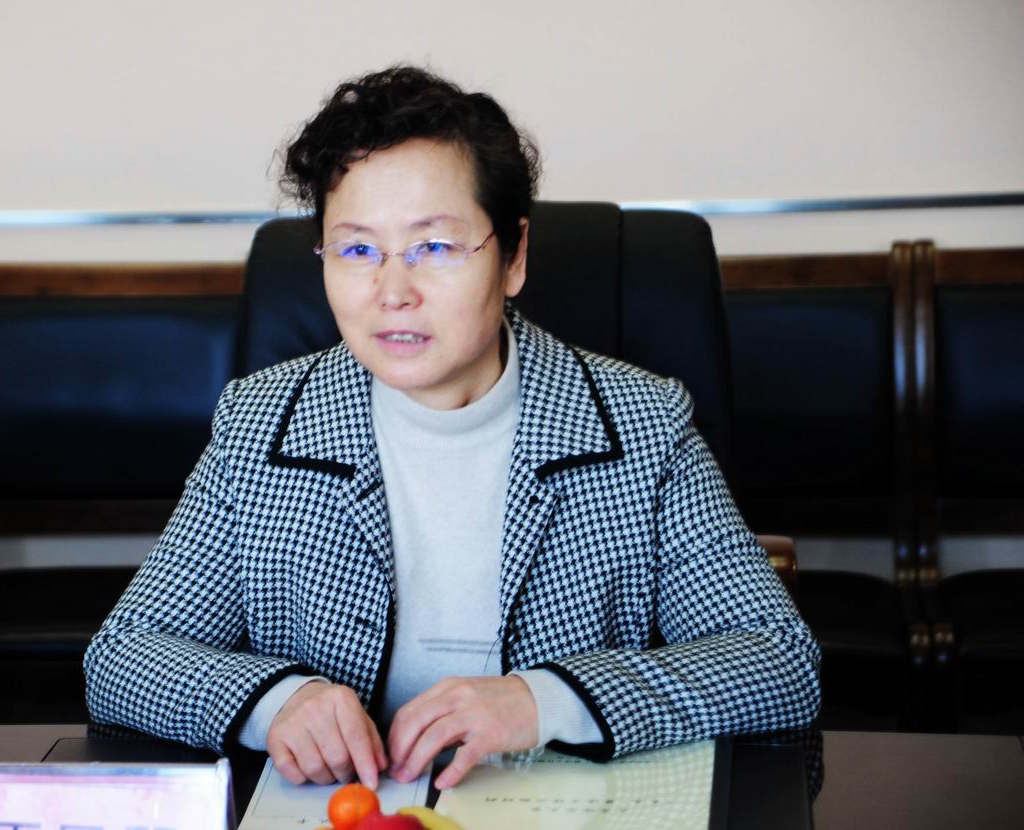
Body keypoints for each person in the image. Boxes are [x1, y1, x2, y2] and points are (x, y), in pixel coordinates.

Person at [84, 65, 820, 792]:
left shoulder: (640, 423)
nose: (392, 292)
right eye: (357, 249)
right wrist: (276, 703)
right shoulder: (261, 421)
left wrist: (545, 701)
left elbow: (779, 661)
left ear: (514, 257)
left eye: (434, 247)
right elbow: (122, 657)